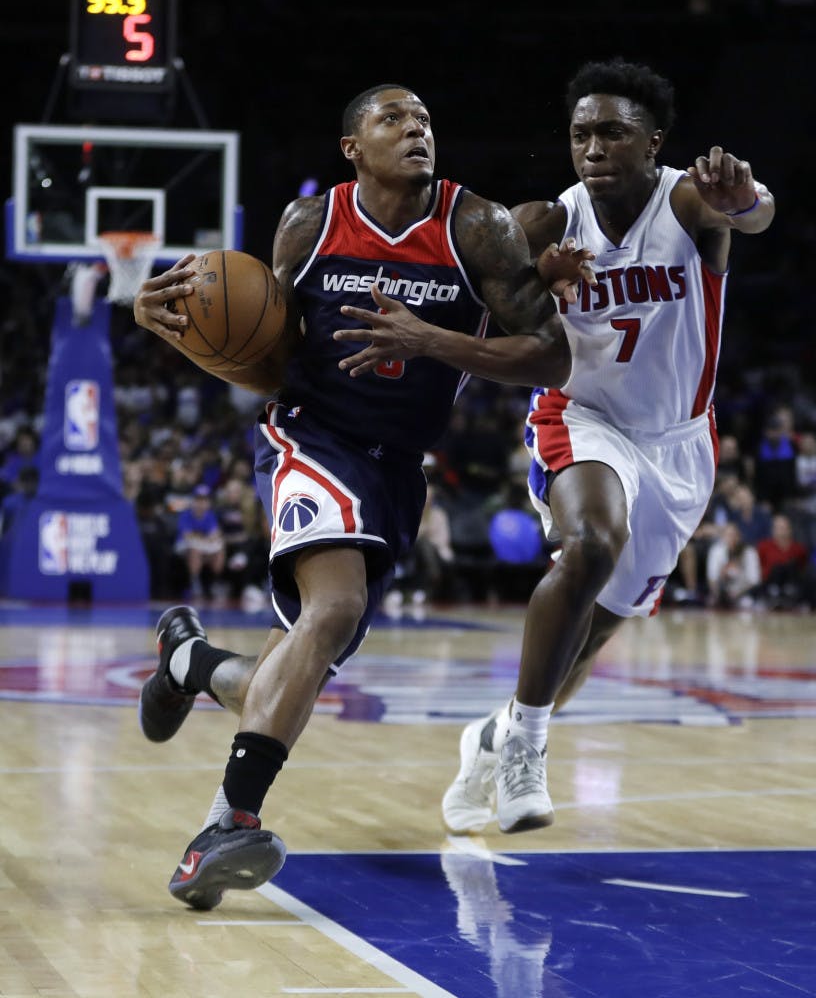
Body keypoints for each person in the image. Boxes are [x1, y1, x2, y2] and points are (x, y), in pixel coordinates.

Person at [133, 83, 582, 910]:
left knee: (296, 666)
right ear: (352, 147)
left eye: (425, 120)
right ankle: (225, 824)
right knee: (332, 611)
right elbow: (263, 352)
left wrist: (430, 340)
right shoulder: (310, 226)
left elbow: (553, 359)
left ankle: (190, 660)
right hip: (311, 437)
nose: (417, 129)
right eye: (394, 119)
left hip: (397, 469)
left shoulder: (474, 226)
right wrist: (183, 335)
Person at [440, 57, 775, 835]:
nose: (592, 147)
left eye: (612, 133)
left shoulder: (690, 199)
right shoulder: (545, 224)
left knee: (590, 638)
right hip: (581, 415)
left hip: (679, 444)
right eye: (580, 133)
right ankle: (525, 745)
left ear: (652, 143)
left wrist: (747, 200)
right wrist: (528, 288)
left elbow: (753, 212)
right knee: (590, 544)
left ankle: (493, 734)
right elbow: (479, 313)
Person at [705, 522, 762, 609]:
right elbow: (712, 578)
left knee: (747, 604)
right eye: (728, 535)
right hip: (722, 594)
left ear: (739, 537)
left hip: (744, 595)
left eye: (734, 535)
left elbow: (754, 580)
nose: (731, 538)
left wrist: (737, 594)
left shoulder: (749, 552)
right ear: (722, 537)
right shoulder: (716, 551)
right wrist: (718, 594)